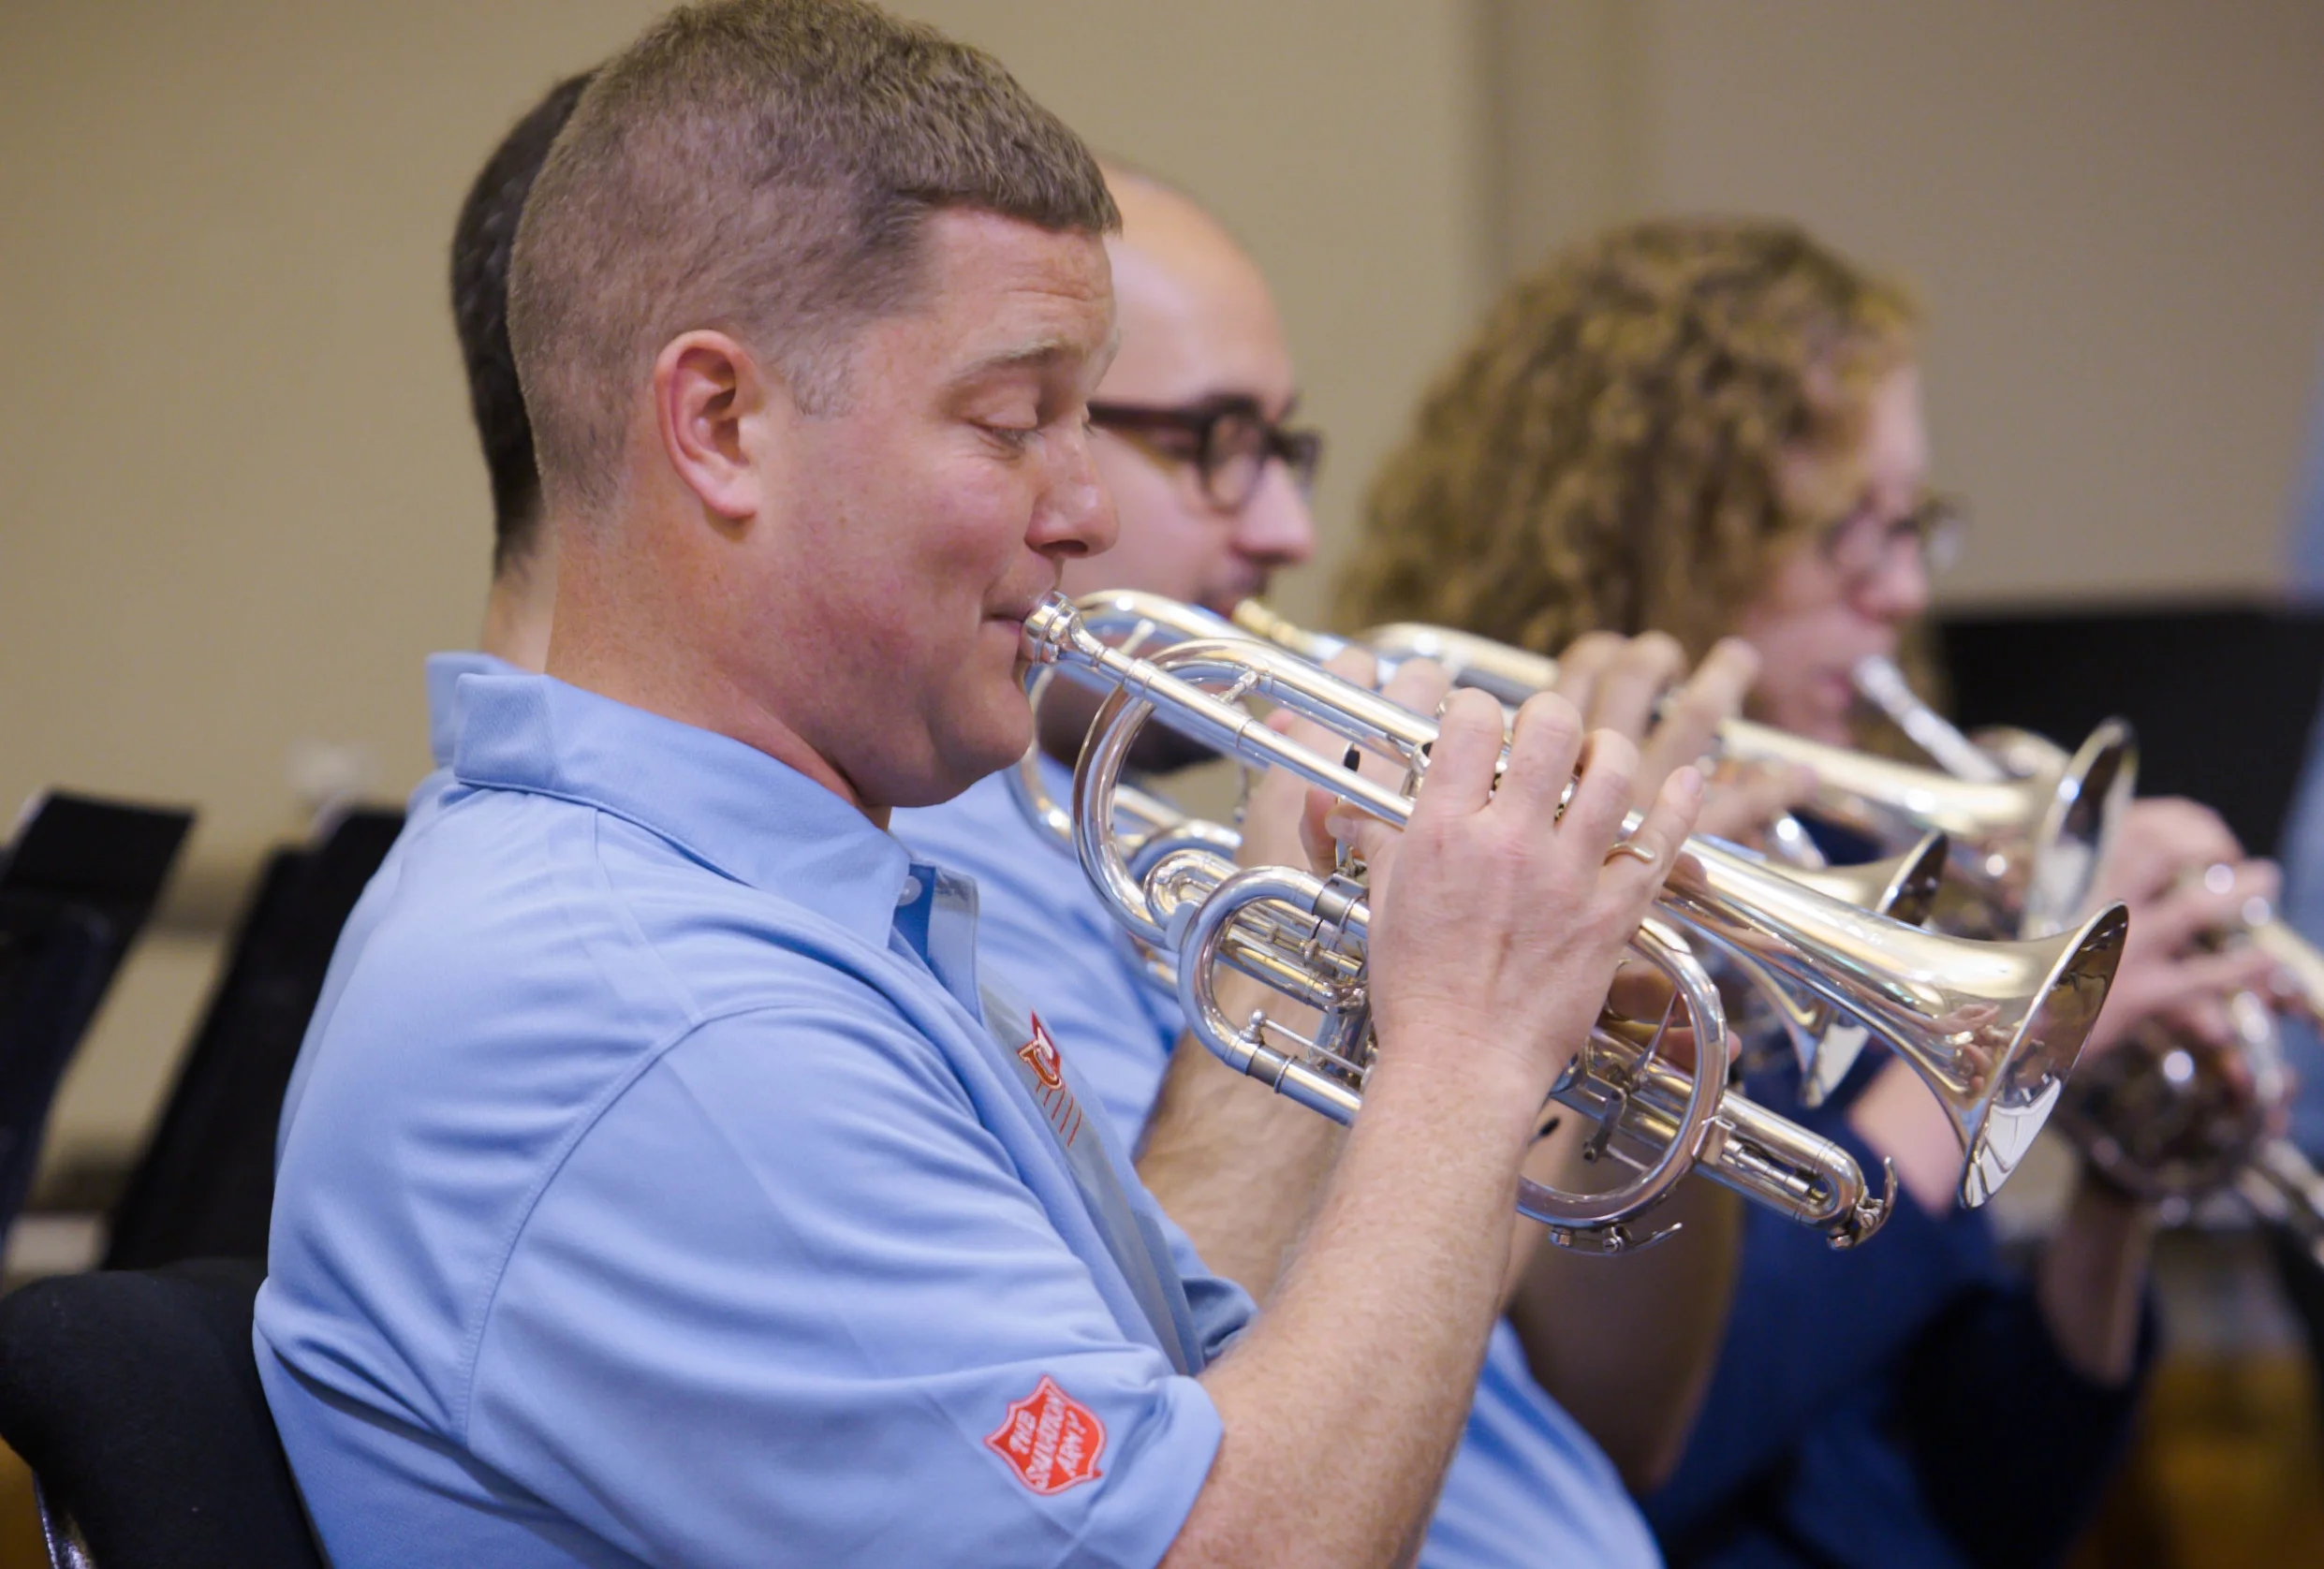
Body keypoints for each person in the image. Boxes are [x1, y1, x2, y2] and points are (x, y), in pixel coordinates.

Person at [255, 7, 1703, 1567]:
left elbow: (1205, 1397)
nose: (1082, 508)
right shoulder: (650, 1012)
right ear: (721, 425)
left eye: (1086, 419)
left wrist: (1440, 987)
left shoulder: (797, 908)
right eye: (1014, 422)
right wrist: (1473, 1048)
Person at [1343, 216, 2287, 1568]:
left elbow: (1991, 1504)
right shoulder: (1495, 866)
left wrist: (2113, 1190)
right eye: (1844, 534)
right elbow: (1638, 1449)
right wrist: (1963, 1084)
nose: (1897, 591)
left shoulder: (1866, 858)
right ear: (1659, 534)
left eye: (1912, 530)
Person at [894, 169, 1769, 1568]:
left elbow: (1625, 1420)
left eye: (1279, 449)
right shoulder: (939, 850)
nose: (1288, 533)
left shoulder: (1139, 834)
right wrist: (1467, 1017)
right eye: (1211, 440)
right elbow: (1156, 1409)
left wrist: (1619, 1017)